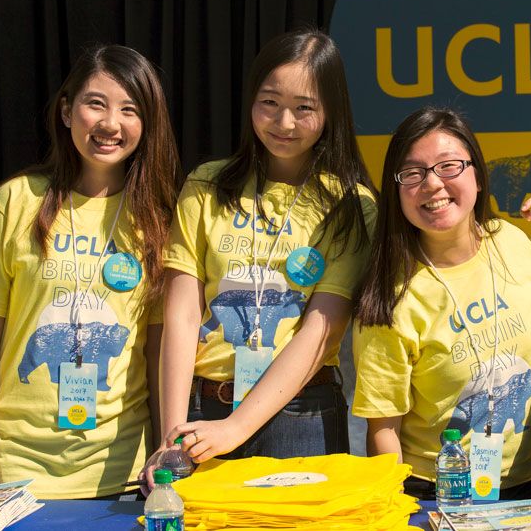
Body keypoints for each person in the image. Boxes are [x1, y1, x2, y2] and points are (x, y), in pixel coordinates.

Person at [0, 44, 181, 499]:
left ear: (147, 124)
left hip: (120, 471)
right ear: (66, 111)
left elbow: (158, 346)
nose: (110, 124)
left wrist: (162, 450)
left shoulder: (159, 218)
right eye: (95, 103)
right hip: (16, 468)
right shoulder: (15, 201)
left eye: (130, 110)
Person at [155, 29, 376, 470]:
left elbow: (321, 331)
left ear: (331, 112)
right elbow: (180, 315)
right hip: (202, 409)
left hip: (301, 414)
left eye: (304, 108)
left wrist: (236, 427)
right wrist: (170, 436)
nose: (284, 122)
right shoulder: (205, 185)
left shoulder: (353, 206)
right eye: (269, 102)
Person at [353, 107, 531, 501]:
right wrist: (400, 510)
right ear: (396, 189)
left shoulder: (513, 242)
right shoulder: (390, 298)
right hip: (440, 493)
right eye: (413, 173)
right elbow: (384, 429)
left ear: (478, 175)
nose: (432, 184)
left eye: (448, 166)